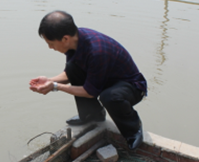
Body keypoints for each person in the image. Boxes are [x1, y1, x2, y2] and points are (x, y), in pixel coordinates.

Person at [29, 10, 147, 151]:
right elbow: (70, 73)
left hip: (131, 87)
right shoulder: (75, 41)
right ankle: (92, 115)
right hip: (106, 80)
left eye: (50, 43)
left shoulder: (96, 51)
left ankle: (133, 130)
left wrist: (55, 86)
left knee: (109, 97)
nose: (50, 47)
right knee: (73, 67)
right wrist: (48, 80)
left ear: (65, 39)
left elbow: (89, 92)